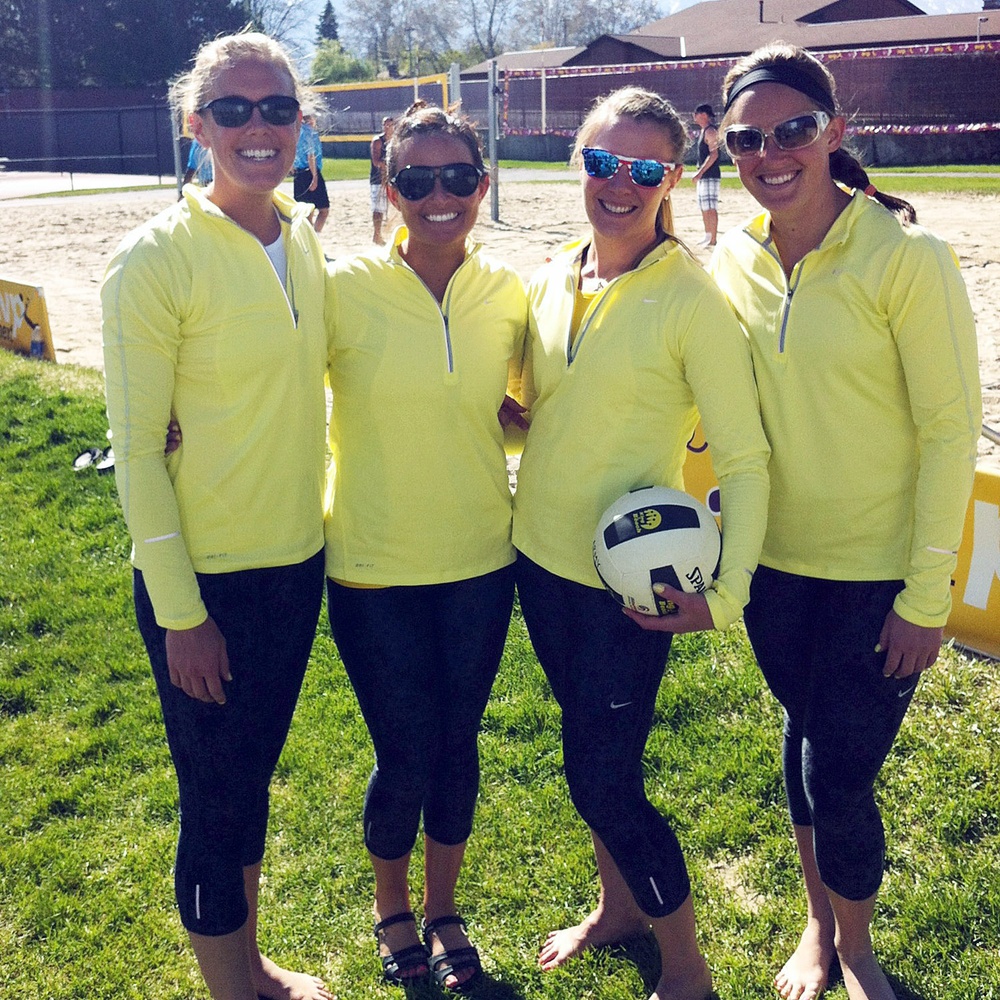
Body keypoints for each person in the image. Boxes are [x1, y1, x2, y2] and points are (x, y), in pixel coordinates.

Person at [708, 43, 981, 1000]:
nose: (769, 152)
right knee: (805, 731)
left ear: (834, 131)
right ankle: (817, 927)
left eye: (791, 130)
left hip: (879, 578)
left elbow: (953, 434)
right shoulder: (731, 257)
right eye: (747, 136)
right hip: (775, 566)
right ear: (724, 145)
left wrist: (927, 592)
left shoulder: (908, 258)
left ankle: (854, 949)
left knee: (841, 769)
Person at [512, 86, 771, 1000]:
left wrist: (728, 593)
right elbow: (539, 414)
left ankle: (687, 966)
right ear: (576, 161)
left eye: (643, 169)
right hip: (538, 565)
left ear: (676, 175)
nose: (618, 184)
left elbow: (743, 458)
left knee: (605, 781)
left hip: (629, 589)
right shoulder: (555, 274)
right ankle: (617, 908)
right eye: (601, 161)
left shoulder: (692, 302)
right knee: (592, 761)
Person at [101, 31, 332, 1000]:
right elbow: (139, 456)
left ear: (300, 124)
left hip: (296, 563)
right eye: (232, 110)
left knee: (250, 787)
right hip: (206, 586)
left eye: (275, 108)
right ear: (195, 126)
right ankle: (232, 989)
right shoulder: (152, 262)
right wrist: (181, 610)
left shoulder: (305, 240)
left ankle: (254, 965)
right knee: (214, 801)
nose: (256, 127)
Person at [324, 100, 527, 991]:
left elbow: (519, 415)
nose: (438, 196)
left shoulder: (508, 291)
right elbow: (265, 381)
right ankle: (392, 910)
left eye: (456, 178)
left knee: (459, 742)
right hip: (370, 566)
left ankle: (445, 911)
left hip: (481, 561)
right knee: (404, 747)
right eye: (417, 181)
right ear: (389, 185)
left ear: (482, 185)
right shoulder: (341, 288)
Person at [690, 103, 720, 247]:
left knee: (710, 207)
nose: (694, 117)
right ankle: (707, 236)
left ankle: (713, 239)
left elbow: (714, 154)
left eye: (696, 114)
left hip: (710, 175)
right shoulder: (703, 131)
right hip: (704, 176)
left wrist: (700, 172)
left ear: (703, 115)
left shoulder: (710, 131)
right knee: (704, 206)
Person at [293, 114, 330, 232]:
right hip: (310, 172)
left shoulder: (296, 131)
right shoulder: (309, 132)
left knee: (305, 210)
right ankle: (314, 238)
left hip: (299, 173)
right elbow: (311, 156)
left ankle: (310, 239)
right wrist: (314, 177)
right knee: (323, 210)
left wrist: (291, 166)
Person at [369, 115, 394, 244]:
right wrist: (391, 165)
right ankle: (377, 235)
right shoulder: (378, 141)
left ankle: (386, 234)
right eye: (386, 125)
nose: (388, 127)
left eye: (390, 125)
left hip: (392, 179)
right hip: (378, 179)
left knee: (394, 207)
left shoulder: (396, 141)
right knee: (378, 208)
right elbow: (376, 162)